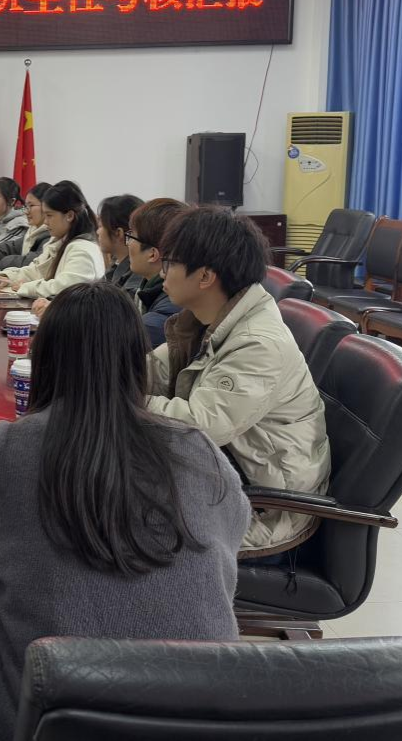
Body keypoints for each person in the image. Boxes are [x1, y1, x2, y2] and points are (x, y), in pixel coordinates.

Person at [0, 282, 249, 739]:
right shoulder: (197, 447)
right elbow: (234, 528)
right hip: (200, 719)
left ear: (44, 358)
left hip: (47, 723)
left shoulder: (8, 449)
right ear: (137, 362)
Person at [147, 205, 330, 556]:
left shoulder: (257, 343)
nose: (161, 271)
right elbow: (153, 370)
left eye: (169, 262)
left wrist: (123, 400)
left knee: (112, 519)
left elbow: (201, 426)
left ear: (205, 277)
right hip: (223, 473)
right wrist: (100, 376)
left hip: (264, 508)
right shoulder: (207, 321)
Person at [0, 181, 103, 300]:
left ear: (69, 216)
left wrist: (25, 287)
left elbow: (65, 288)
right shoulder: (59, 241)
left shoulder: (82, 248)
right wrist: (7, 277)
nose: (46, 222)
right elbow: (37, 270)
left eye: (49, 215)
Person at [126, 197, 188, 347]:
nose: (127, 243)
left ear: (152, 254)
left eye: (131, 236)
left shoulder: (165, 316)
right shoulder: (147, 291)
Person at [0, 182, 51, 271]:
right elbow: (9, 247)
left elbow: (30, 263)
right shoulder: (33, 232)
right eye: (26, 206)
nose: (26, 211)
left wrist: (2, 261)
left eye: (31, 205)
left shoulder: (50, 235)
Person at [98, 194, 144, 294]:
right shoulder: (116, 267)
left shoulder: (134, 283)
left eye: (101, 226)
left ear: (118, 233)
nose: (97, 232)